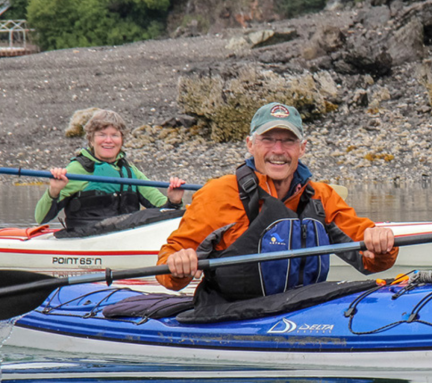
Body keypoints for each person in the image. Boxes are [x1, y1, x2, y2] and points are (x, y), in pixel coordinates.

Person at [158, 102, 397, 306]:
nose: (278, 150)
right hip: (231, 315)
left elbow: (371, 261)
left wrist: (381, 244)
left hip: (303, 311)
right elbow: (168, 266)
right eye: (268, 140)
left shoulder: (321, 196)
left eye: (288, 141)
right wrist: (178, 264)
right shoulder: (217, 194)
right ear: (250, 145)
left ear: (302, 148)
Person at [35, 109, 185, 234]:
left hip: (126, 239)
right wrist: (53, 192)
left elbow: (164, 211)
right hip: (86, 241)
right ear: (91, 140)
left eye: (114, 135)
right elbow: (40, 218)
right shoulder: (77, 170)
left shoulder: (130, 172)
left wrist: (174, 201)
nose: (108, 140)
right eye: (102, 135)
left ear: (121, 140)